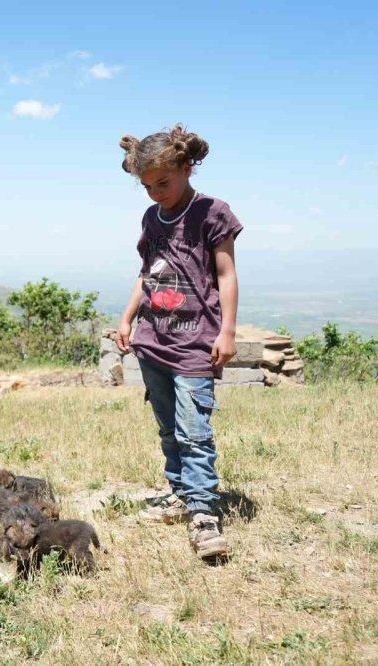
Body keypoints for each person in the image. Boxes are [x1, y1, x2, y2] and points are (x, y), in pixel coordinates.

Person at [116, 124, 242, 559]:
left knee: (194, 432)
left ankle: (204, 512)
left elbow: (226, 274)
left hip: (196, 342)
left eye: (163, 183)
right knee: (169, 429)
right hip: (153, 340)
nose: (155, 193)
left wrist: (227, 331)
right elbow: (147, 272)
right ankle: (179, 493)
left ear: (187, 167)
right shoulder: (152, 218)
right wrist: (128, 317)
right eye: (147, 186)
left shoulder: (213, 212)